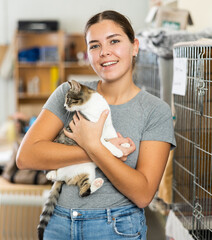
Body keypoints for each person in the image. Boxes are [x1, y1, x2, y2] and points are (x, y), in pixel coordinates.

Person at [16, 10, 176, 240]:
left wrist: (95, 146)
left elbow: (143, 194)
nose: (104, 52)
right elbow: (27, 156)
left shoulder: (155, 111)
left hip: (116, 227)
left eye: (114, 41)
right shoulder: (69, 93)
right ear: (88, 54)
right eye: (94, 46)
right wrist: (99, 149)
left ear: (135, 46)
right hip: (58, 224)